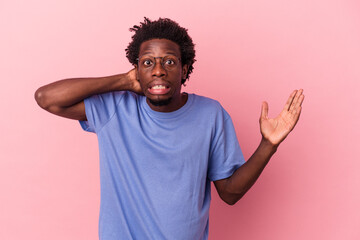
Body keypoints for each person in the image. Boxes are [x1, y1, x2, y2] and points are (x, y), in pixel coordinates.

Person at [34, 17, 304, 240]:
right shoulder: (115, 109)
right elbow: (47, 98)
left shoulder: (211, 115)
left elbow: (230, 193)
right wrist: (125, 81)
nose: (159, 70)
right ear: (137, 70)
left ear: (184, 69)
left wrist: (269, 145)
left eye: (170, 62)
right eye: (148, 62)